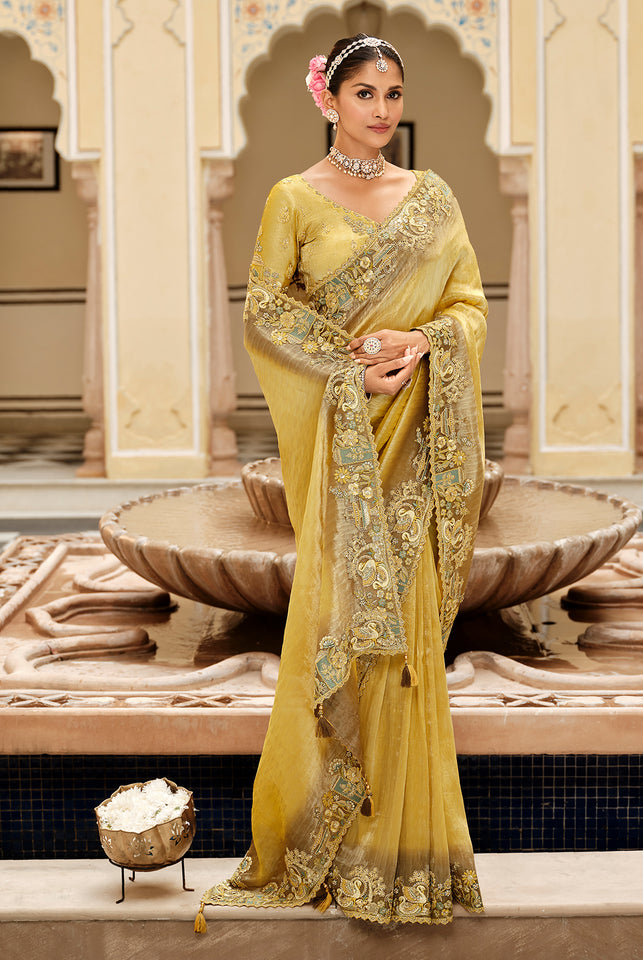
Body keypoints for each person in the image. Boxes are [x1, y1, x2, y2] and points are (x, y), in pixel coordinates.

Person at [197, 33, 487, 928]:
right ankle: (334, 847)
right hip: (347, 449)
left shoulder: (432, 198)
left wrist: (424, 341)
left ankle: (409, 859)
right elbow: (266, 313)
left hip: (416, 446)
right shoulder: (293, 198)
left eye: (393, 93)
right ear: (329, 98)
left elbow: (469, 306)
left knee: (406, 645)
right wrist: (350, 374)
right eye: (365, 92)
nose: (383, 110)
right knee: (344, 627)